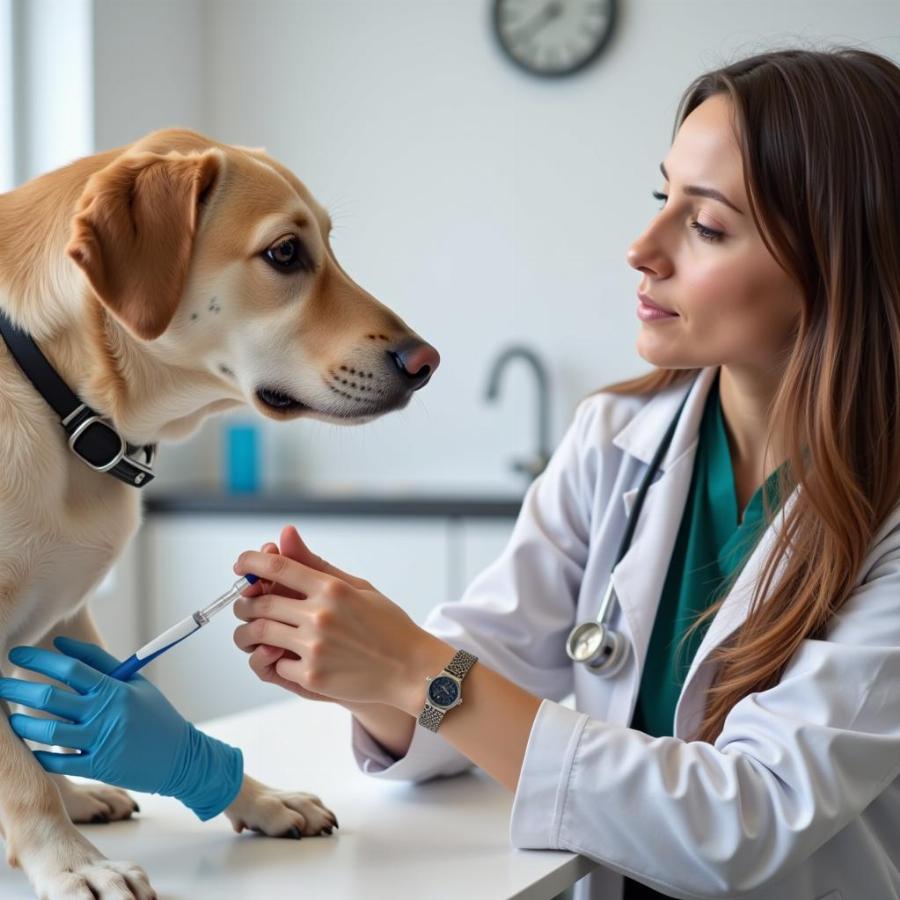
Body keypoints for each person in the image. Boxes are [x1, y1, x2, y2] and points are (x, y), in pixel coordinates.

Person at [4, 46, 900, 899]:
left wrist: (412, 668)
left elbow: (745, 821)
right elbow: (490, 666)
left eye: (704, 224)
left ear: (839, 259)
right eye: (660, 196)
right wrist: (357, 668)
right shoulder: (617, 438)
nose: (643, 246)